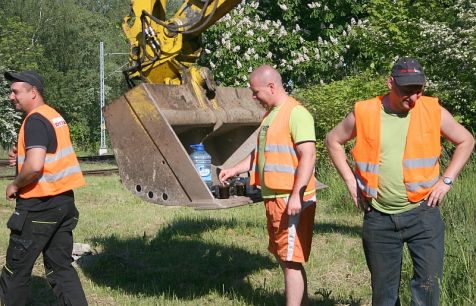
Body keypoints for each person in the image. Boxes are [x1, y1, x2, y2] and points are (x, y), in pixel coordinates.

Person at [325, 57, 475, 306]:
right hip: (379, 218)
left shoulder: (432, 110)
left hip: (423, 215)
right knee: (383, 296)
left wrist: (446, 181)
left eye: (419, 90)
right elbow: (333, 140)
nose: (414, 97)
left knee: (427, 290)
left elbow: (466, 140)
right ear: (390, 83)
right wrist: (351, 183)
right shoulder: (365, 111)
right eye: (407, 90)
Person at [219, 65, 317, 306]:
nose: (254, 97)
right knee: (286, 259)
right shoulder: (270, 115)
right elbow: (260, 154)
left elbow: (309, 155)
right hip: (275, 198)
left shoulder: (297, 113)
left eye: (256, 91)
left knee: (291, 261)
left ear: (272, 86)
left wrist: (297, 196)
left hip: (290, 200)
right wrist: (234, 169)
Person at [1, 71, 88, 305]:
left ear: (33, 93)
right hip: (63, 204)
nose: (11, 97)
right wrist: (22, 155)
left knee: (14, 271)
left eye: (15, 91)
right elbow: (49, 154)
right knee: (60, 269)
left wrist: (15, 184)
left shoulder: (35, 120)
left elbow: (35, 167)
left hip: (38, 207)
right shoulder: (53, 116)